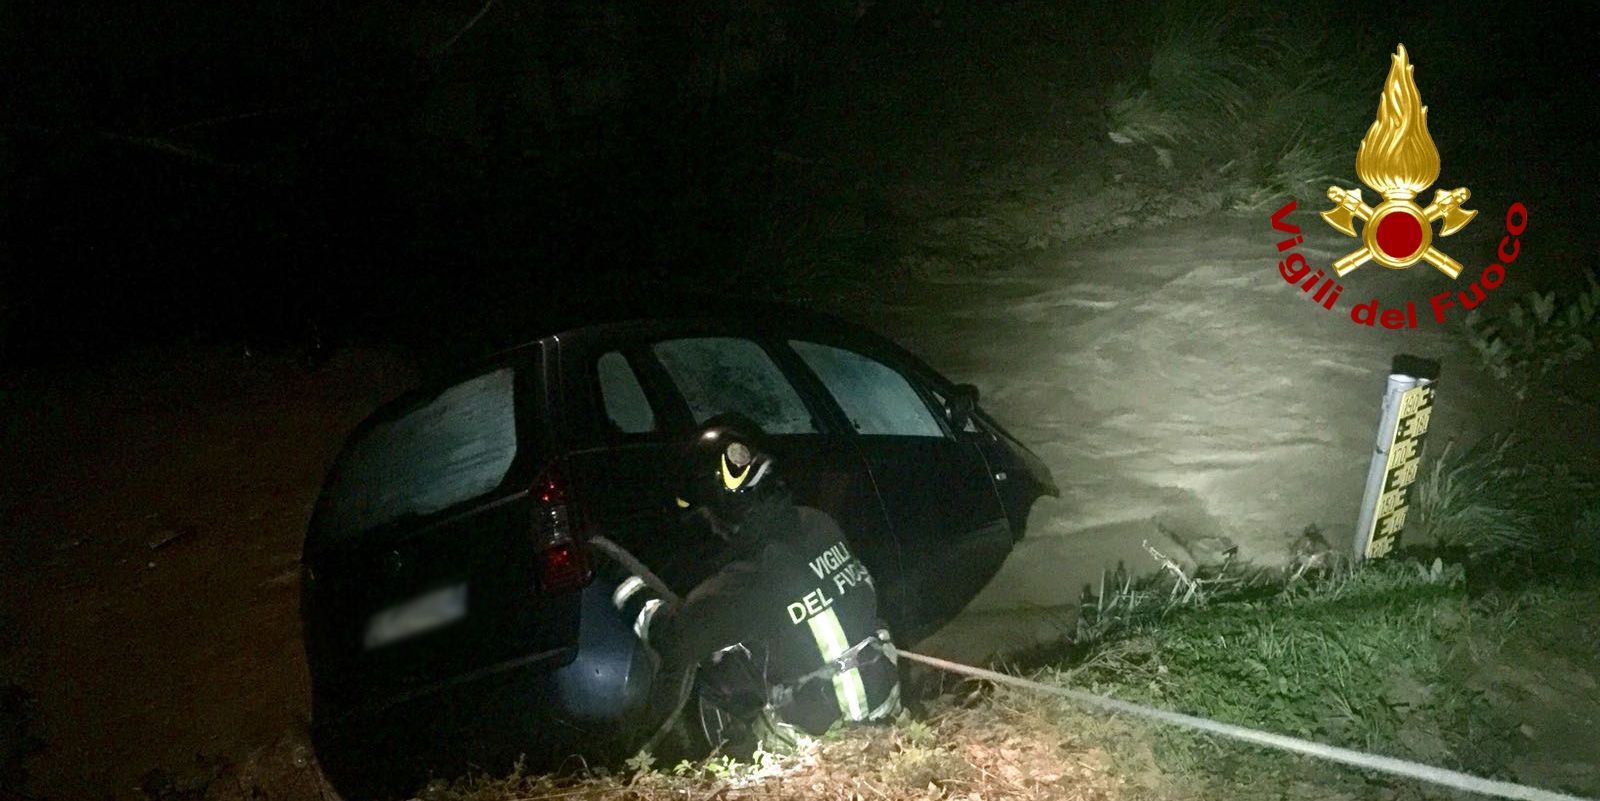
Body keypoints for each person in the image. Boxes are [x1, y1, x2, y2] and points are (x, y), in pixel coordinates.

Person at [609, 415, 900, 759]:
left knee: (722, 692)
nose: (711, 528)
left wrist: (617, 577)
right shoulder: (817, 522)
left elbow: (676, 639)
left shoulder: (750, 576)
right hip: (884, 701)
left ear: (721, 503)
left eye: (707, 515)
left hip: (830, 735)